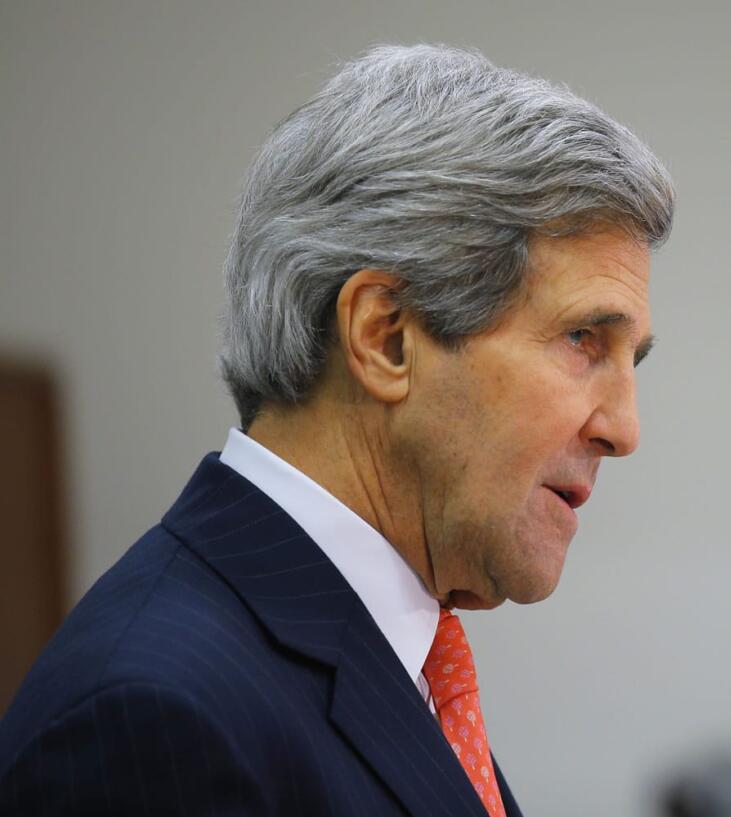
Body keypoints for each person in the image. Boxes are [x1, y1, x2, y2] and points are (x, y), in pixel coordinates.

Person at [0, 43, 674, 816]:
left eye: (633, 360)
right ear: (385, 337)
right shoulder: (152, 720)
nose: (625, 428)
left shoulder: (395, 660)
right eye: (584, 339)